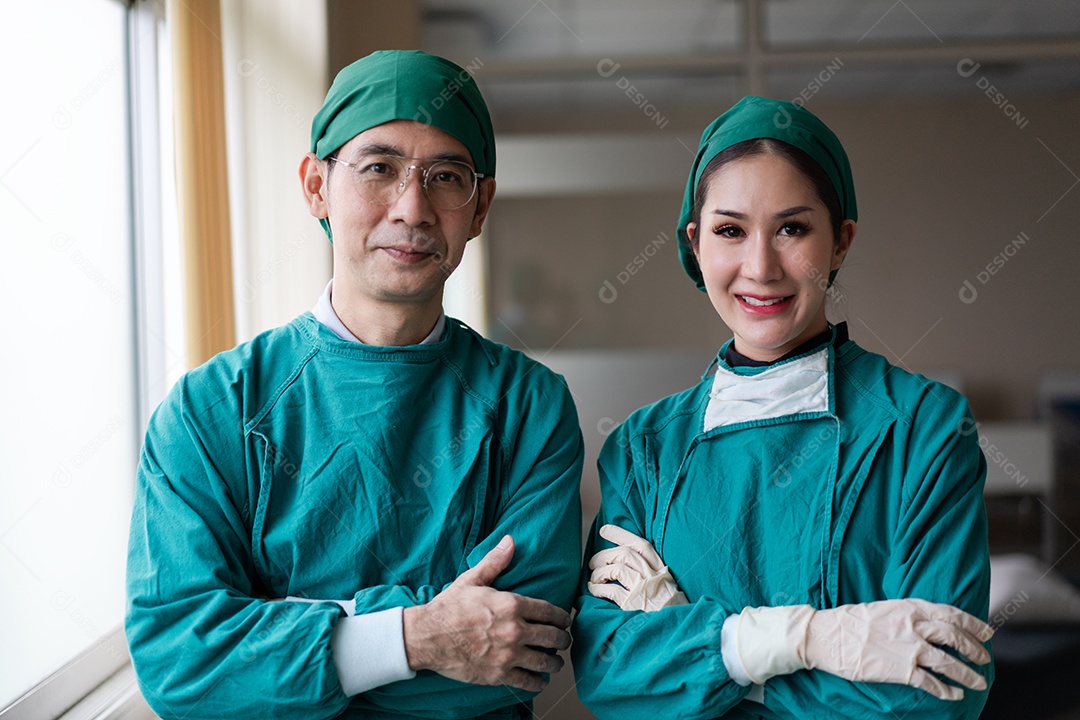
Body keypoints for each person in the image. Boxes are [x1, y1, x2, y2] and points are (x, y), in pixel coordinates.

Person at [126, 50, 583, 720]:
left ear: (479, 206)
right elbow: (182, 665)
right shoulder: (209, 412)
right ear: (316, 185)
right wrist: (419, 636)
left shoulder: (529, 408)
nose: (414, 208)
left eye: (447, 177)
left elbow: (517, 654)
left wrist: (290, 639)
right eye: (379, 169)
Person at [571, 96, 994, 719]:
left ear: (841, 240)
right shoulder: (643, 449)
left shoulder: (924, 429)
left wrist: (695, 644)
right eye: (729, 230)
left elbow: (940, 694)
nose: (760, 267)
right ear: (695, 242)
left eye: (792, 228)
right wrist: (811, 643)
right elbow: (608, 672)